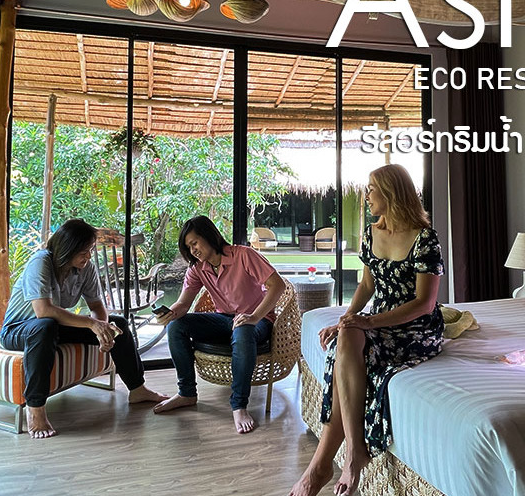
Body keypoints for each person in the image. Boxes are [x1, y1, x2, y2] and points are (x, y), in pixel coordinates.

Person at [289, 164, 445, 496]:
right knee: (346, 338)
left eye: (372, 189)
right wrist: (346, 319)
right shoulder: (371, 232)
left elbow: (424, 303)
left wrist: (368, 322)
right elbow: (367, 285)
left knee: (348, 348)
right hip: (379, 321)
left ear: (391, 193)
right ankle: (350, 453)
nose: (367, 195)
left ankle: (323, 465)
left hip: (415, 328)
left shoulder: (424, 238)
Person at [0, 218, 167, 439]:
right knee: (45, 326)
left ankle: (137, 389)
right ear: (67, 250)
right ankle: (36, 408)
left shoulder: (85, 268)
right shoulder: (40, 263)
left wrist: (103, 331)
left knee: (118, 324)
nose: (88, 257)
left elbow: (97, 307)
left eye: (90, 251)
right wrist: (91, 324)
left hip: (53, 327)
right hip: (19, 330)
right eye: (83, 252)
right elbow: (43, 310)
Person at [153, 215, 288, 434]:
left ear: (209, 236)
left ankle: (239, 405)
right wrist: (170, 314)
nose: (193, 250)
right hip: (224, 319)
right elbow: (183, 304)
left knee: (243, 329)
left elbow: (277, 285)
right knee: (176, 326)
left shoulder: (244, 255)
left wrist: (254, 317)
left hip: (257, 321)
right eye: (189, 247)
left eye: (195, 243)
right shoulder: (197, 268)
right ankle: (187, 393)